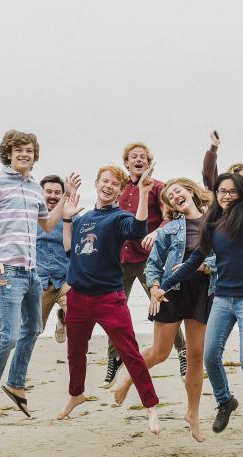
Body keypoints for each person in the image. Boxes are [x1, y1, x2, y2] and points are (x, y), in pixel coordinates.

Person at [152, 173, 243, 442]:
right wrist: (166, 285)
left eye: (232, 191)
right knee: (210, 357)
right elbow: (195, 259)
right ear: (216, 193)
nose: (226, 195)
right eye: (222, 191)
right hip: (223, 297)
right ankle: (225, 401)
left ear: (242, 193)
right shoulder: (212, 221)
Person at [0, 129, 74, 425]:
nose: (24, 154)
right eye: (18, 150)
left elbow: (46, 225)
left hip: (32, 272)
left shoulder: (34, 189)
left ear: (34, 154)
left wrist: (65, 198)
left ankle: (15, 383)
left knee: (34, 328)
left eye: (29, 150)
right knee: (10, 334)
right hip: (7, 269)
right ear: (9, 153)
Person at [57, 165, 163, 435]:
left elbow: (138, 230)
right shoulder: (84, 218)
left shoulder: (119, 217)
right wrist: (67, 219)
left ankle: (151, 406)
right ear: (96, 183)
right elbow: (70, 250)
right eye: (105, 181)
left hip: (108, 297)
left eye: (115, 184)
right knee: (75, 351)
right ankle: (76, 394)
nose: (109, 186)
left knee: (130, 353)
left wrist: (142, 193)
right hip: (78, 297)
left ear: (120, 190)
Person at [113, 177, 216, 442]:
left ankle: (192, 414)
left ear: (190, 192)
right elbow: (153, 264)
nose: (175, 196)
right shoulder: (169, 229)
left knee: (195, 355)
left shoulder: (215, 222)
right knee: (160, 352)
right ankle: (128, 377)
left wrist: (207, 267)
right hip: (172, 292)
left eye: (178, 191)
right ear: (170, 205)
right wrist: (155, 288)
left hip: (202, 292)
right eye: (170, 196)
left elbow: (227, 258)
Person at [103, 142, 187, 389]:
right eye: (133, 156)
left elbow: (169, 217)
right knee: (113, 311)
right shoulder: (120, 189)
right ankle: (114, 358)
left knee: (165, 306)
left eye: (143, 157)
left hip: (149, 259)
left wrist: (157, 234)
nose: (138, 159)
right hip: (120, 259)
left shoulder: (157, 187)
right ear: (126, 162)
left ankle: (182, 353)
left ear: (148, 162)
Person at [36, 174, 73, 343]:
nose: (53, 196)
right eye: (48, 192)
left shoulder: (70, 218)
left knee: (78, 316)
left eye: (57, 192)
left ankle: (64, 319)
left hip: (65, 281)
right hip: (40, 284)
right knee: (34, 330)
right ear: (40, 193)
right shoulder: (31, 218)